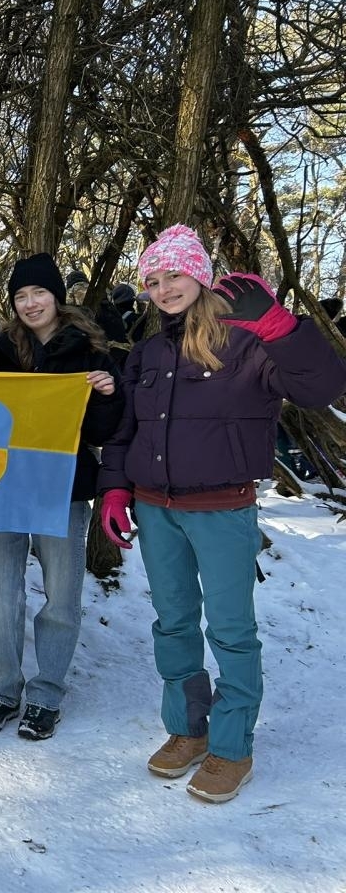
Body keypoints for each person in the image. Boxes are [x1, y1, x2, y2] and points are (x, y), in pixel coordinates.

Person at [98, 224, 346, 802]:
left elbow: (323, 386)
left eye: (174, 275)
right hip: (157, 510)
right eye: (152, 280)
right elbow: (124, 431)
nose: (163, 288)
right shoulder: (148, 351)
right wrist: (116, 490)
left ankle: (233, 745)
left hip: (222, 509)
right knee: (173, 621)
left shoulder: (247, 344)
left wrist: (281, 327)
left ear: (201, 275)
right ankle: (188, 729)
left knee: (232, 629)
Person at [0, 253, 123, 741]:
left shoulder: (90, 351)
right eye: (20, 296)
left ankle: (47, 694)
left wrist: (105, 394)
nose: (30, 303)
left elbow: (104, 431)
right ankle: (4, 688)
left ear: (56, 297)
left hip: (63, 488)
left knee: (61, 596)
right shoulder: (2, 351)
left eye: (38, 293)